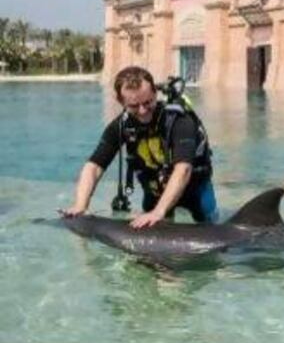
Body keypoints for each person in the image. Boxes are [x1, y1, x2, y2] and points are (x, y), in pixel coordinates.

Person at [60, 66, 218, 228]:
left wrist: (159, 212)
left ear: (155, 94)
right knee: (153, 243)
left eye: (148, 102)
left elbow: (183, 169)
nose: (143, 111)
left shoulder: (179, 121)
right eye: (134, 106)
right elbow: (94, 166)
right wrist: (81, 205)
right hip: (155, 192)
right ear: (121, 101)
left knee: (213, 230)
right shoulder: (121, 126)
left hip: (195, 189)